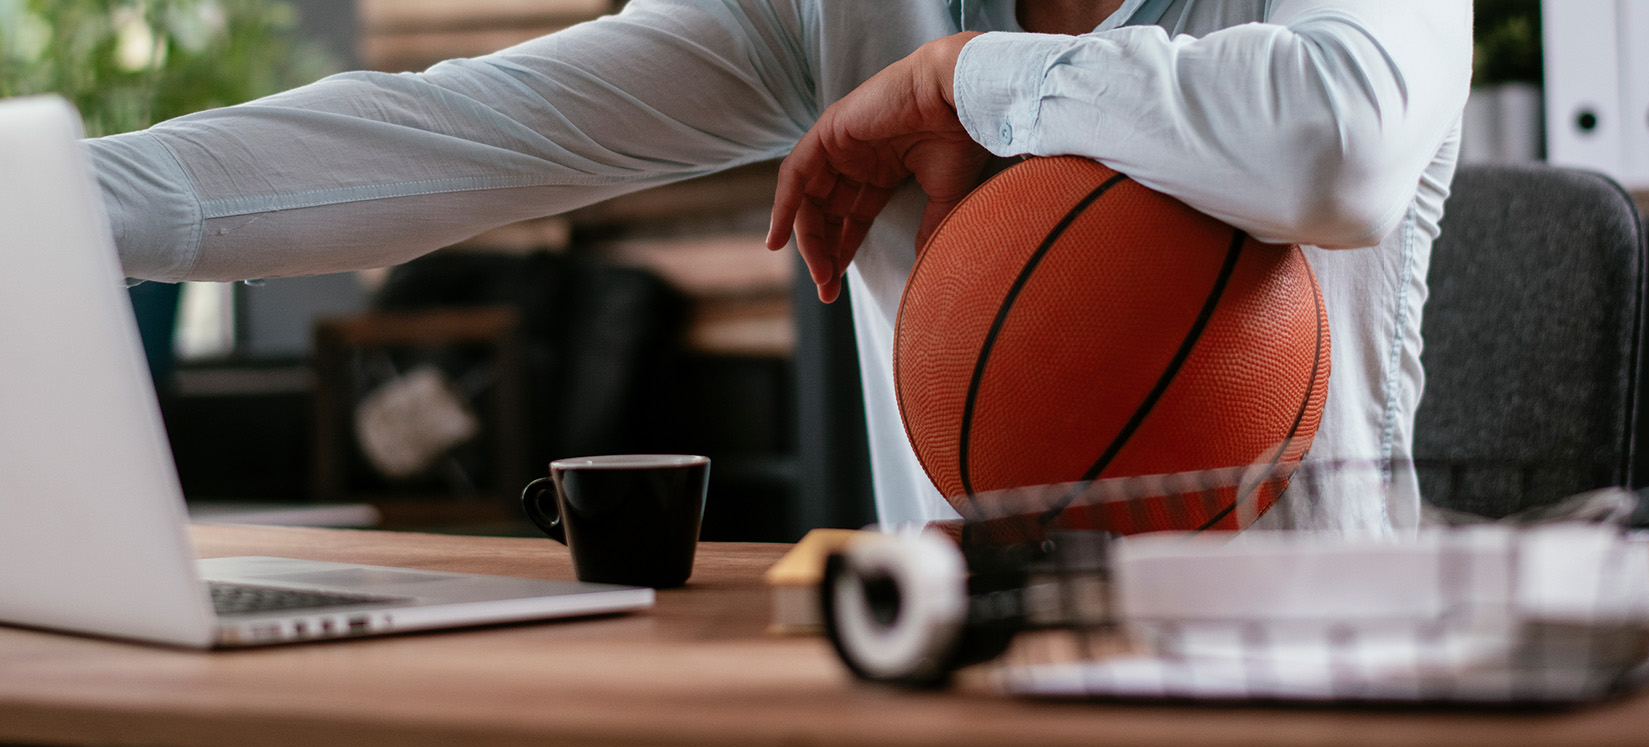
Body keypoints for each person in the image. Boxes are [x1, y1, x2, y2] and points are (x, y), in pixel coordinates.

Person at [89, 0, 1472, 533]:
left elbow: (1332, 146)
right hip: (957, 678)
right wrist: (58, 203)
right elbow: (447, 134)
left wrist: (972, 79)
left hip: (1315, 674)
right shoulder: (827, 6)